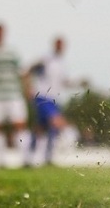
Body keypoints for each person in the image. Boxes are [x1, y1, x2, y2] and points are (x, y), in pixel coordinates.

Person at [25, 35, 85, 166]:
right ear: (54, 45)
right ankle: (47, 156)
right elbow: (28, 70)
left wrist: (78, 83)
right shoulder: (46, 59)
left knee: (41, 128)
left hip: (54, 98)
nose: (60, 47)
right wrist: (28, 87)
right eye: (58, 44)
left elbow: (64, 82)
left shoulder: (62, 63)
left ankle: (31, 157)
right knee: (56, 122)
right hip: (42, 96)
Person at [0, 22, 30, 167]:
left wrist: (27, 87)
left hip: (13, 94)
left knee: (20, 125)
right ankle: (0, 161)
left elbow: (21, 71)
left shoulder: (12, 52)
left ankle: (25, 159)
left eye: (1, 32)